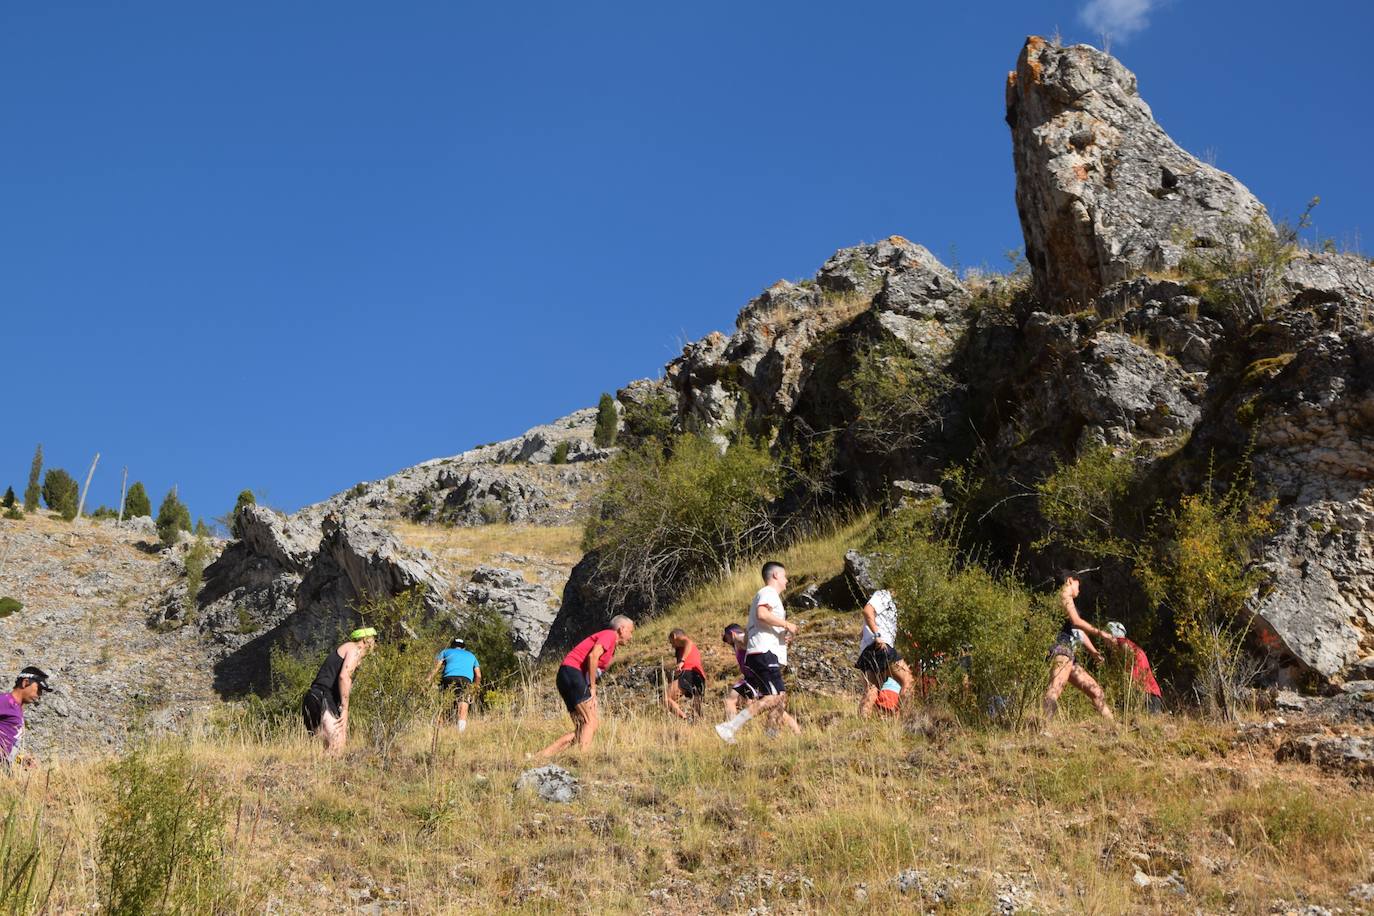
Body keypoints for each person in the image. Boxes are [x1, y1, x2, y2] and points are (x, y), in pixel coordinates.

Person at [715, 561, 799, 743]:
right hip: (763, 653)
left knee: (779, 698)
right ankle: (731, 726)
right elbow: (763, 615)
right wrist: (787, 624)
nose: (787, 581)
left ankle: (770, 738)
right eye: (785, 577)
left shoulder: (762, 597)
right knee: (776, 697)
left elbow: (749, 635)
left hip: (760, 653)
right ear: (775, 575)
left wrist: (781, 636)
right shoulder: (768, 593)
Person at [536, 615, 635, 759]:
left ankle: (541, 756)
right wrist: (593, 689)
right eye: (630, 632)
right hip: (572, 673)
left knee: (583, 727)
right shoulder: (609, 635)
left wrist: (589, 687)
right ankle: (583, 759)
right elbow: (593, 657)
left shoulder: (611, 643)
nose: (631, 636)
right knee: (591, 722)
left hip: (567, 675)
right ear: (622, 629)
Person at [1042, 572, 1114, 724]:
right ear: (1070, 580)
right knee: (1055, 689)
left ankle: (1114, 729)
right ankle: (1042, 729)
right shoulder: (1064, 596)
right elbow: (1076, 622)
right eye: (1078, 585)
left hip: (1068, 653)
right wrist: (1102, 634)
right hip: (1061, 648)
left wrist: (1093, 652)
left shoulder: (1065, 601)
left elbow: (1078, 630)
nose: (1079, 590)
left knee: (1096, 691)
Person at [302, 627, 377, 754]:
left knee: (328, 747)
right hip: (323, 696)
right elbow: (344, 676)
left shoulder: (347, 649)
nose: (375, 644)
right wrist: (345, 708)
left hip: (313, 696)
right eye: (374, 639)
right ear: (365, 640)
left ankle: (323, 772)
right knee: (338, 744)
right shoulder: (354, 648)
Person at [856, 588, 915, 718]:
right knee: (908, 681)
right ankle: (903, 719)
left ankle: (861, 724)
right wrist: (878, 636)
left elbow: (863, 631)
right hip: (880, 645)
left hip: (867, 650)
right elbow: (867, 611)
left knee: (871, 690)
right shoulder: (883, 595)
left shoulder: (891, 603)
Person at [1, 667, 51, 772]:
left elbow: (7, 746)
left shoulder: (16, 708)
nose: (39, 695)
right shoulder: (5, 701)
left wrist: (21, 758)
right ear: (25, 683)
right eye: (39, 689)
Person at [1106, 621, 1164, 713]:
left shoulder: (1122, 642)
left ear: (1112, 636)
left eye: (1105, 637)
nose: (1105, 642)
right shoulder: (1132, 645)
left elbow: (1129, 653)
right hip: (1151, 695)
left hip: (1146, 695)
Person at [430, 636, 482, 732]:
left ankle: (440, 730)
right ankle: (460, 731)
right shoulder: (471, 655)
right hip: (465, 680)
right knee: (463, 703)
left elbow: (435, 668)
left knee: (443, 703)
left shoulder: (446, 651)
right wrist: (475, 688)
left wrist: (428, 679)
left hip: (448, 678)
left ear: (452, 646)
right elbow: (478, 675)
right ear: (464, 647)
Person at [664, 629, 706, 720]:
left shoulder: (684, 642)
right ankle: (702, 723)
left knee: (666, 698)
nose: (672, 645)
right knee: (697, 706)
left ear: (674, 636)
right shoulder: (683, 650)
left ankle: (686, 719)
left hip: (689, 672)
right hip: (700, 676)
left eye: (671, 642)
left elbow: (688, 642)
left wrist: (682, 661)